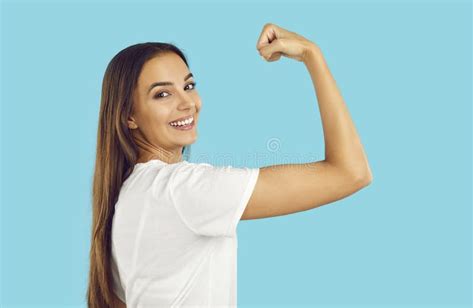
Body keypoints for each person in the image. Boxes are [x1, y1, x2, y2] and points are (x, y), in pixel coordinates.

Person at [86, 23, 373, 308]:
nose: (188, 103)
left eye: (188, 86)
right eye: (163, 94)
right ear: (129, 117)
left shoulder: (128, 197)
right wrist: (312, 55)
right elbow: (351, 172)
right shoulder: (182, 188)